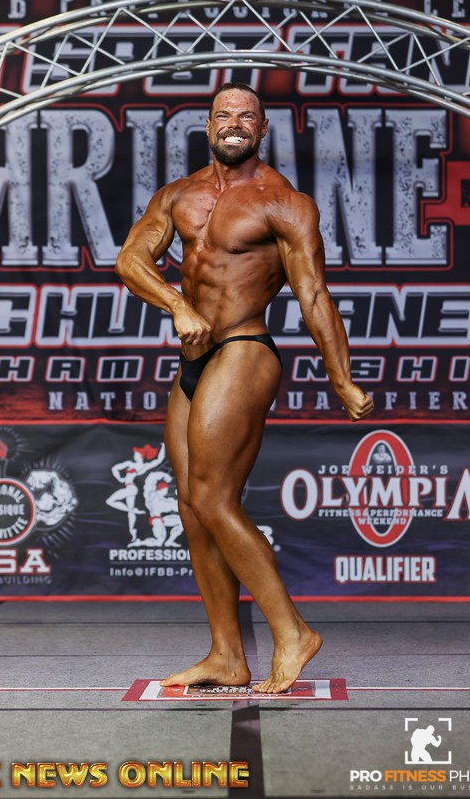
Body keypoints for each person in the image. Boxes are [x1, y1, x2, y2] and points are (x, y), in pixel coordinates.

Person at [115, 82, 374, 693]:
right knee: (190, 505)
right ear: (209, 126)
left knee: (214, 497)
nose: (234, 123)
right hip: (193, 358)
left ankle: (293, 632)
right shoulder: (178, 195)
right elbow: (129, 259)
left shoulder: (284, 203)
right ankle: (227, 655)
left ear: (262, 129)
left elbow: (313, 295)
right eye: (224, 115)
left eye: (246, 116)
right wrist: (177, 304)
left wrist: (340, 377)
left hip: (244, 349)